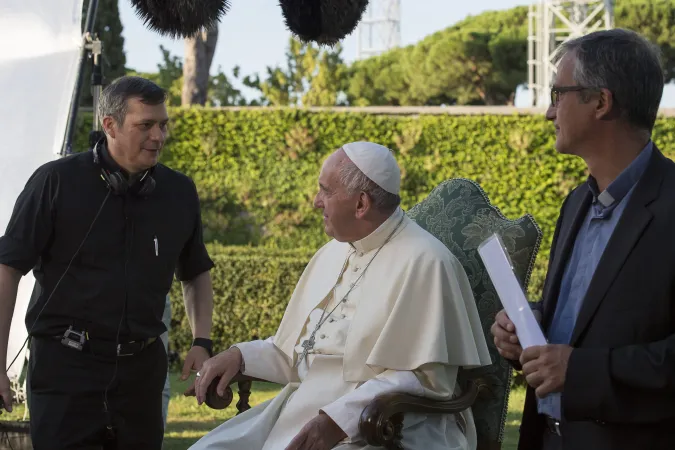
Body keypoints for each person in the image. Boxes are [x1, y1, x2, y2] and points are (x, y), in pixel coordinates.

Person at [187, 141, 492, 450]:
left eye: (326, 191)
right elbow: (299, 352)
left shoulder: (427, 262)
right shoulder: (332, 253)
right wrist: (239, 357)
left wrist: (339, 420)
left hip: (391, 428)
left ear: (361, 204)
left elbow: (424, 378)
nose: (316, 202)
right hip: (303, 411)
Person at [0, 76, 215, 449]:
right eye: (145, 125)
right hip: (65, 370)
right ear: (109, 126)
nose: (158, 136)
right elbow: (7, 268)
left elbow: (195, 271)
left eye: (163, 124)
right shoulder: (54, 181)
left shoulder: (180, 192)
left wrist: (202, 340)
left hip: (141, 375)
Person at [490, 29, 675, 450]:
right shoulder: (575, 202)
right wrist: (527, 327)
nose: (548, 113)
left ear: (601, 102)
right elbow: (586, 318)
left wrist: (582, 371)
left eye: (558, 94)